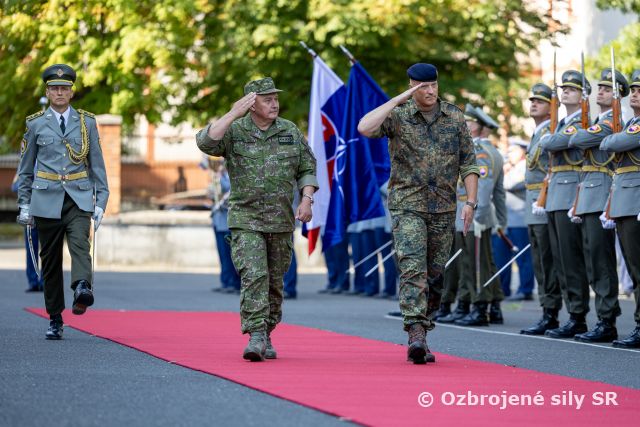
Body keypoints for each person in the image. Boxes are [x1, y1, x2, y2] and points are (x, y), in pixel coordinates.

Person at [358, 63, 479, 364]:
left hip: (444, 207)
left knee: (435, 275)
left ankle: (424, 327)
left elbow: (468, 162)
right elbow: (365, 127)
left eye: (433, 85)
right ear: (412, 87)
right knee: (412, 267)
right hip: (407, 205)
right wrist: (398, 99)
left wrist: (471, 202)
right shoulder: (398, 116)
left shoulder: (454, 116)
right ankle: (415, 332)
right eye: (423, 87)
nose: (430, 91)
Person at [196, 77, 318, 361]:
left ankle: (267, 331)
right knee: (254, 275)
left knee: (274, 282)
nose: (274, 104)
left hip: (281, 219)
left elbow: (307, 168)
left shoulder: (289, 130)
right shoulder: (235, 131)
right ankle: (256, 335)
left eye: (276, 98)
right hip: (245, 218)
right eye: (267, 99)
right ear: (251, 104)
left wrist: (307, 200)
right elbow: (205, 142)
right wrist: (232, 113)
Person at [16, 64, 109, 340]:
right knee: (50, 259)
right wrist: (24, 204)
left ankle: (81, 287)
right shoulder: (35, 124)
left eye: (64, 88)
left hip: (78, 196)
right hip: (45, 199)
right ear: (47, 92)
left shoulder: (86, 123)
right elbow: (25, 169)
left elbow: (97, 165)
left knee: (81, 243)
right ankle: (55, 317)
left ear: (71, 92)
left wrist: (101, 201)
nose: (59, 92)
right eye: (54, 88)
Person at [567, 68, 628, 343]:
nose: (600, 92)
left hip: (600, 193)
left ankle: (607, 319)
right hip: (588, 194)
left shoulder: (611, 122)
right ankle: (601, 317)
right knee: (592, 260)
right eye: (600, 87)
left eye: (607, 88)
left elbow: (577, 139)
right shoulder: (597, 121)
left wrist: (586, 132)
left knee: (601, 262)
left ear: (617, 95)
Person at [538, 70, 591, 339]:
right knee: (560, 259)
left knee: (571, 259)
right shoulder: (562, 122)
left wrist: (549, 139)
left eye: (572, 89)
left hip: (570, 192)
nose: (565, 92)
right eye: (564, 88)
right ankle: (571, 313)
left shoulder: (581, 121)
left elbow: (554, 143)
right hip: (556, 193)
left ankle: (578, 315)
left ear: (583, 95)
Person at [453, 104, 505, 327]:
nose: (463, 125)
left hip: (474, 216)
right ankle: (492, 306)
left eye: (467, 122)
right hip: (472, 215)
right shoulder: (484, 151)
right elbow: (499, 194)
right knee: (479, 262)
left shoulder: (480, 153)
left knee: (476, 264)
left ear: (478, 126)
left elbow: (482, 192)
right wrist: (501, 220)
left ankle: (480, 307)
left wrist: (478, 218)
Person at [599, 69, 640, 349]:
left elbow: (613, 142)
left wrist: (612, 137)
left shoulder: (634, 127)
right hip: (625, 201)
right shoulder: (631, 123)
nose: (634, 95)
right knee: (634, 269)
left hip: (634, 201)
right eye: (633, 91)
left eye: (639, 91)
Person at [520, 83, 562, 335]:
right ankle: (546, 309)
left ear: (551, 107)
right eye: (532, 100)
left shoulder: (551, 130)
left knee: (547, 260)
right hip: (533, 201)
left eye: (540, 101)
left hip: (543, 201)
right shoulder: (538, 132)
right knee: (539, 260)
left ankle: (551, 312)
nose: (534, 104)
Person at [495, 138, 535, 301]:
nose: (509, 154)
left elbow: (510, 184)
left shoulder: (525, 166)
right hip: (506, 221)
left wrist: (500, 175)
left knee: (523, 257)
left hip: (519, 220)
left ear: (522, 152)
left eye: (513, 151)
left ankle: (525, 290)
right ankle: (503, 289)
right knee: (502, 257)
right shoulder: (510, 168)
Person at [209, 161, 241, 294]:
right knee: (223, 254)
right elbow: (213, 194)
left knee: (232, 255)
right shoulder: (218, 177)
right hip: (218, 221)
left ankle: (235, 283)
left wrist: (221, 180)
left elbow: (232, 192)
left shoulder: (234, 175)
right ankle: (226, 281)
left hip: (228, 221)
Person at [12, 173, 43, 292]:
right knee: (31, 248)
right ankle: (33, 281)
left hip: (46, 211)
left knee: (48, 249)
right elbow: (15, 186)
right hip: (30, 211)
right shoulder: (25, 164)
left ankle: (45, 282)